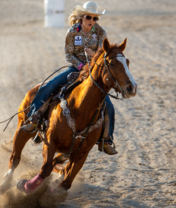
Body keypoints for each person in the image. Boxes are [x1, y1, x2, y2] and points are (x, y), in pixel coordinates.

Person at [22, 1, 117, 155]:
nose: (91, 21)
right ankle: (34, 119)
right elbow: (68, 54)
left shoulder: (100, 33)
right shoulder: (72, 32)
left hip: (94, 73)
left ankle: (106, 140)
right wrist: (80, 66)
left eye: (95, 18)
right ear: (82, 17)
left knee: (109, 107)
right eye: (89, 17)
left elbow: (103, 54)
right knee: (49, 86)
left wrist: (94, 57)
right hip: (76, 68)